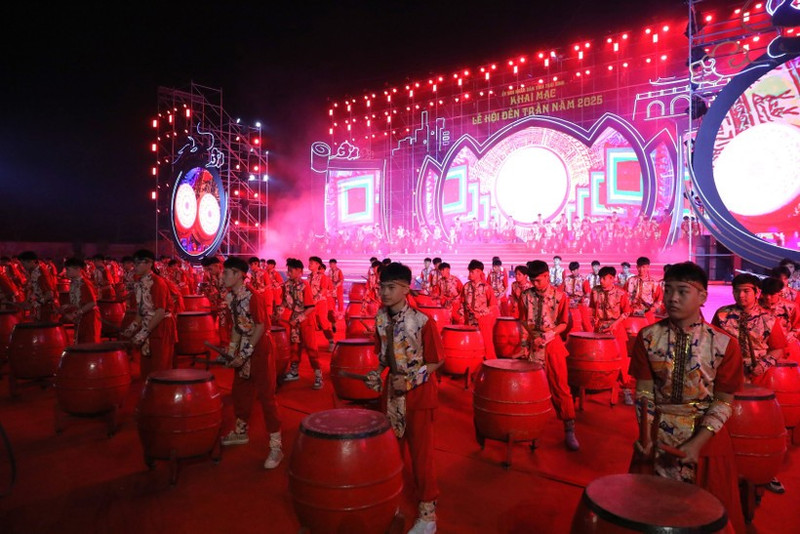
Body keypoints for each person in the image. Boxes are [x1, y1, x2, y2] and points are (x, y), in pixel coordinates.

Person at [629, 262, 746, 534]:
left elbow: (724, 400)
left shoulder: (724, 343)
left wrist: (697, 444)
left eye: (682, 291)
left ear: (702, 296)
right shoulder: (647, 337)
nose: (672, 298)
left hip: (707, 440)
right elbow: (644, 393)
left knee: (706, 513)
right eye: (667, 290)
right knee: (652, 512)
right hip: (657, 434)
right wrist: (645, 436)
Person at [364, 262, 444, 534]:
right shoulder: (380, 318)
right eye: (381, 287)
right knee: (390, 452)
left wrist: (409, 380)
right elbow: (383, 357)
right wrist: (376, 373)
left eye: (390, 287)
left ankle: (427, 515)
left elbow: (436, 361)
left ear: (406, 289)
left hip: (419, 394)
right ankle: (390, 504)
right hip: (392, 394)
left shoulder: (423, 322)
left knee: (421, 455)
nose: (384, 293)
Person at [711, 273, 787, 495]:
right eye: (737, 291)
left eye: (746, 291)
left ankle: (765, 471)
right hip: (728, 376)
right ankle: (723, 469)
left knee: (760, 427)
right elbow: (712, 342)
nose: (741, 295)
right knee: (725, 422)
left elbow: (778, 348)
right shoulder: (723, 315)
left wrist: (763, 365)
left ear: (757, 292)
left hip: (759, 378)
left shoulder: (768, 318)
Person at [218, 257, 283, 470]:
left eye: (227, 273)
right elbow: (237, 327)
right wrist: (231, 352)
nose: (223, 276)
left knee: (266, 396)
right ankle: (241, 430)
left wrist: (243, 353)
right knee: (241, 391)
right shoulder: (233, 297)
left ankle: (276, 445)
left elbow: (261, 326)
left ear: (238, 275)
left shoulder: (253, 296)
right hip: (245, 349)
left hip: (260, 349)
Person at [518, 260, 579, 450]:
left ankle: (569, 429)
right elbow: (523, 321)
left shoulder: (560, 296)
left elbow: (563, 323)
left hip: (552, 345)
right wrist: (524, 344)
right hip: (532, 346)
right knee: (530, 389)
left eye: (537, 281)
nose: (534, 285)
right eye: (531, 281)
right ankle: (529, 429)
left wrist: (548, 335)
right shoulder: (525, 295)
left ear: (546, 276)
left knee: (560, 386)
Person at [124, 249, 177, 378]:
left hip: (161, 326)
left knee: (159, 367)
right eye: (134, 263)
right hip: (150, 325)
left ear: (149, 264)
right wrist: (132, 328)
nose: (134, 266)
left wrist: (143, 333)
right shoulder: (140, 283)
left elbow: (160, 311)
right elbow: (142, 311)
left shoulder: (157, 283)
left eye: (138, 263)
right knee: (147, 366)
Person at [589, 266, 634, 405]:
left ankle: (626, 390)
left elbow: (626, 312)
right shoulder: (595, 291)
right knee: (599, 357)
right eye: (600, 278)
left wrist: (615, 324)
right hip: (599, 329)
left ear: (612, 279)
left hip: (615, 329)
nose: (601, 281)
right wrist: (593, 318)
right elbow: (591, 307)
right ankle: (600, 385)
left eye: (604, 278)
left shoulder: (621, 293)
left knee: (621, 360)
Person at [276, 258, 323, 389]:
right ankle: (294, 371)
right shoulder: (286, 285)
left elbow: (310, 307)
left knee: (311, 347)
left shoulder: (305, 286)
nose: (288, 273)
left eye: (290, 270)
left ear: (299, 271)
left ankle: (318, 375)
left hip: (305, 321)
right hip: (293, 321)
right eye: (288, 270)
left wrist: (298, 319)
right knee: (294, 347)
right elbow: (286, 301)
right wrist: (280, 309)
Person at [462, 260, 497, 360]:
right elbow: (462, 303)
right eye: (469, 272)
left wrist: (481, 314)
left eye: (472, 272)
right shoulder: (466, 287)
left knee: (486, 345)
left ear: (479, 272)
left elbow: (493, 305)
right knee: (471, 345)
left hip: (483, 321)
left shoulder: (486, 288)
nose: (470, 274)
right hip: (469, 321)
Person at [760, 277, 800, 362]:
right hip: (762, 346)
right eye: (765, 293)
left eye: (772, 294)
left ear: (779, 293)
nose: (767, 297)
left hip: (786, 345)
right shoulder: (755, 306)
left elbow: (798, 326)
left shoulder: (791, 307)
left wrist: (788, 337)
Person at [62, 257, 101, 344]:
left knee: (89, 342)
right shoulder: (73, 282)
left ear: (78, 269)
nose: (66, 272)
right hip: (82, 316)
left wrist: (75, 313)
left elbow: (92, 303)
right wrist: (69, 306)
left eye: (68, 270)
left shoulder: (85, 284)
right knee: (80, 340)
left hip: (89, 317)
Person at [18, 251, 58, 322]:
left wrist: (37, 303)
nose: (23, 267)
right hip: (39, 307)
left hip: (46, 308)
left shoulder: (41, 273)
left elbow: (50, 294)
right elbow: (35, 289)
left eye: (24, 264)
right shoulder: (32, 271)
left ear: (32, 261)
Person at [199, 256, 231, 346]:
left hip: (228, 305)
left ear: (217, 266)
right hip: (220, 304)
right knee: (222, 324)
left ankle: (227, 344)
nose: (209, 271)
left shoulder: (225, 276)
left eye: (210, 268)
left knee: (227, 325)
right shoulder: (214, 277)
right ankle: (224, 343)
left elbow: (231, 291)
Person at [308, 256, 335, 352]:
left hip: (321, 303)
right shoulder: (309, 276)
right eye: (309, 263)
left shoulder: (323, 277)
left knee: (323, 323)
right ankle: (310, 343)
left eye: (312, 263)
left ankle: (331, 341)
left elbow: (323, 289)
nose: (309, 265)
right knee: (310, 323)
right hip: (310, 304)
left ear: (317, 265)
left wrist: (316, 298)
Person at [625, 257, 663, 323]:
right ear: (637, 267)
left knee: (649, 332)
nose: (642, 269)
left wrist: (653, 308)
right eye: (640, 267)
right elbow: (624, 295)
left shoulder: (653, 282)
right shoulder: (630, 280)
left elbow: (659, 298)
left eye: (644, 267)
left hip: (647, 312)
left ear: (648, 267)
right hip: (632, 312)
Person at [561, 261, 592, 332]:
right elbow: (561, 292)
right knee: (570, 322)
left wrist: (581, 299)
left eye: (575, 270)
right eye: (572, 270)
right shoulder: (566, 280)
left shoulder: (583, 280)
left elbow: (588, 294)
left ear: (578, 269)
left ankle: (590, 336)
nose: (573, 272)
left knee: (585, 322)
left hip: (580, 302)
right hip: (569, 303)